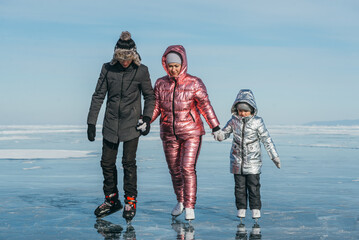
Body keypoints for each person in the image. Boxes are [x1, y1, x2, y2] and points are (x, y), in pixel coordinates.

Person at [87, 31, 155, 222]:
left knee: (128, 163)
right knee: (106, 163)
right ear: (116, 56)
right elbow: (98, 95)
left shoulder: (142, 71)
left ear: (133, 56)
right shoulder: (107, 69)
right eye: (121, 58)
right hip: (110, 124)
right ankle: (111, 200)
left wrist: (147, 118)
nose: (124, 62)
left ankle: (130, 201)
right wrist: (91, 121)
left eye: (128, 58)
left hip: (131, 125)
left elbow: (150, 96)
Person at [151, 45, 222, 221]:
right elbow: (156, 106)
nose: (173, 69)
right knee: (174, 170)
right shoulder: (161, 83)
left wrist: (215, 126)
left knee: (187, 168)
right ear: (165, 65)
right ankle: (180, 201)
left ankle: (190, 206)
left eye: (176, 65)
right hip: (168, 133)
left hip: (191, 132)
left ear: (182, 64)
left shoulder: (194, 82)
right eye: (170, 66)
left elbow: (205, 105)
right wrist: (144, 121)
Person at [213, 89, 280, 220]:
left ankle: (255, 209)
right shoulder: (233, 121)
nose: (243, 113)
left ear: (252, 109)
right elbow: (224, 134)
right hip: (237, 161)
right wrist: (218, 135)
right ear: (236, 109)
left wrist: (274, 156)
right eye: (240, 110)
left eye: (245, 110)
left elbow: (267, 139)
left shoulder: (257, 122)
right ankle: (241, 208)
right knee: (239, 187)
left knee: (254, 187)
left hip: (253, 162)